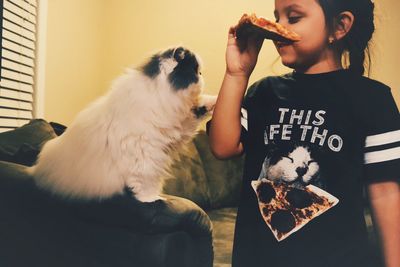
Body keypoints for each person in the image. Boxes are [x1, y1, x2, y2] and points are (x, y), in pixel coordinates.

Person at [207, 0, 400, 266]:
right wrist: (236, 74)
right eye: (277, 17)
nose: (278, 27)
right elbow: (222, 147)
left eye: (293, 17)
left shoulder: (373, 99)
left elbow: (386, 193)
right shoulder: (264, 92)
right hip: (259, 258)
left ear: (339, 26)